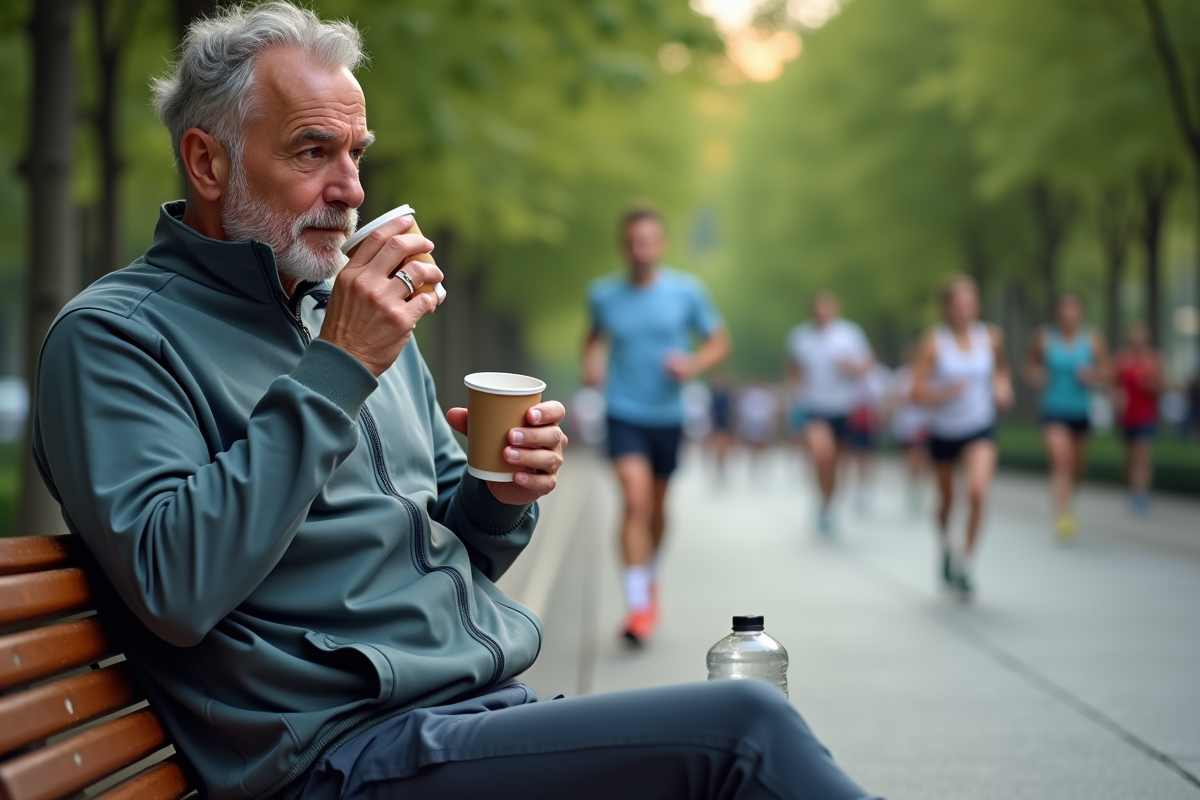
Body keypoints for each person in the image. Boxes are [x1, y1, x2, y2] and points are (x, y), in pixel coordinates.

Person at [30, 7, 877, 800]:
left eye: (357, 154)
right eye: (312, 152)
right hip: (341, 754)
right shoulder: (115, 338)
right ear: (207, 162)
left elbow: (460, 544)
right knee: (744, 729)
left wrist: (500, 493)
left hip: (469, 711)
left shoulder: (347, 314)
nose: (351, 189)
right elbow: (174, 586)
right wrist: (340, 366)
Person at [583, 207, 731, 645]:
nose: (640, 250)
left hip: (668, 415)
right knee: (636, 501)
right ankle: (637, 607)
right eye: (633, 242)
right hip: (622, 411)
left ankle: (649, 576)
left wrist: (693, 364)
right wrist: (591, 363)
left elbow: (719, 341)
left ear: (661, 245)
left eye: (647, 241)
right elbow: (593, 338)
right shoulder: (603, 295)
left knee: (658, 509)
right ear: (622, 246)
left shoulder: (687, 292)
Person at [911, 276, 1013, 599]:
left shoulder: (992, 337)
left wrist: (1002, 387)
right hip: (944, 431)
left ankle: (966, 563)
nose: (965, 310)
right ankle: (946, 547)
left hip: (979, 427)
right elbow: (915, 391)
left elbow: (1001, 370)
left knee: (978, 491)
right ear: (946, 307)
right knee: (947, 501)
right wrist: (944, 393)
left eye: (970, 303)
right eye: (958, 304)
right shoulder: (934, 342)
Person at [785, 292, 875, 534]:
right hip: (814, 406)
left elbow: (867, 365)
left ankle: (827, 505)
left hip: (844, 407)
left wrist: (850, 367)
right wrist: (795, 393)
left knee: (837, 463)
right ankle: (822, 500)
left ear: (836, 309)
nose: (823, 313)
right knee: (822, 456)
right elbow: (792, 369)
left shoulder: (850, 334)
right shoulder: (799, 337)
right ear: (811, 311)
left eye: (827, 308)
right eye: (818, 309)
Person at [1023, 293, 1110, 541]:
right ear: (1057, 314)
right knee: (1062, 461)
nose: (1069, 316)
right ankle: (1061, 515)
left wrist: (1094, 374)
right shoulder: (1044, 337)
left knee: (1077, 469)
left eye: (1073, 311)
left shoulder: (1092, 338)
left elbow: (1109, 371)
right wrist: (1035, 374)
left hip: (1081, 410)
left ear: (1080, 313)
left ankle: (1068, 503)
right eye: (1064, 311)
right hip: (1053, 408)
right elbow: (1029, 365)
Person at [1114, 323, 1165, 515]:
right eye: (1135, 338)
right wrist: (1116, 397)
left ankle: (1141, 495)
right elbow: (1112, 383)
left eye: (1141, 338)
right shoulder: (1122, 359)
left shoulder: (1154, 359)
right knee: (1130, 459)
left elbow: (1164, 387)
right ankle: (1131, 487)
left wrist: (1153, 386)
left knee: (1142, 457)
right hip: (1127, 416)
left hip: (1146, 416)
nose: (1138, 341)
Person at [846, 363, 890, 515]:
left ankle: (866, 488)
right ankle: (860, 487)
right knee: (859, 455)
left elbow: (883, 400)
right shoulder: (852, 377)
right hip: (857, 421)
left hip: (871, 422)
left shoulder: (878, 377)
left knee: (869, 456)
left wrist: (882, 419)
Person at [890, 351, 930, 516]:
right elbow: (895, 398)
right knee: (909, 458)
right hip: (905, 424)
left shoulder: (927, 373)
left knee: (919, 456)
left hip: (923, 422)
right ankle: (912, 484)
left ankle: (918, 486)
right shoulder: (901, 375)